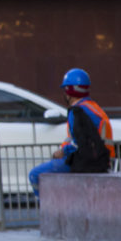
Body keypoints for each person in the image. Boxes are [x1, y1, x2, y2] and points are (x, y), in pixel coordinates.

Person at [28, 67, 114, 197]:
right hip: (102, 160)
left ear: (70, 90)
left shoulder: (77, 111)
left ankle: (48, 206)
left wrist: (63, 151)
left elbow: (80, 142)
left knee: (35, 175)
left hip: (88, 162)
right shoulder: (93, 107)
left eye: (65, 90)